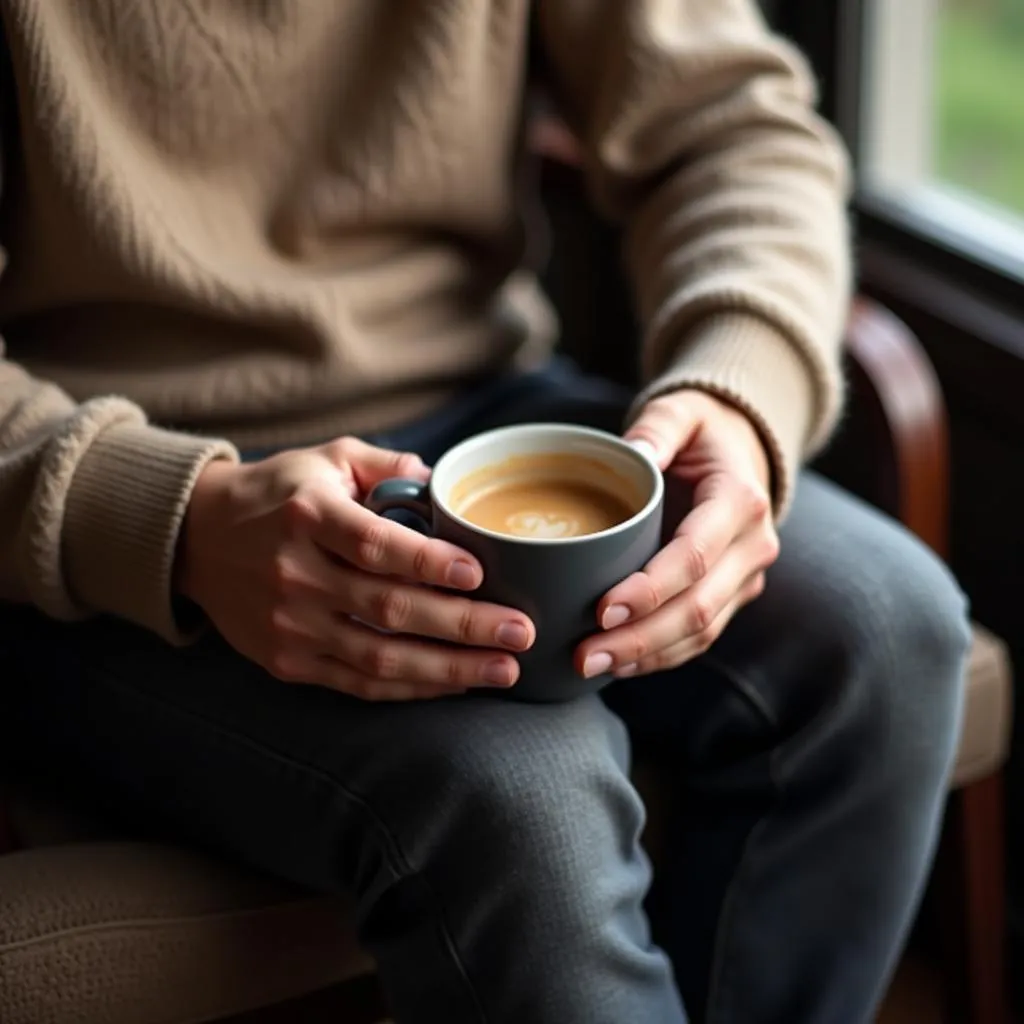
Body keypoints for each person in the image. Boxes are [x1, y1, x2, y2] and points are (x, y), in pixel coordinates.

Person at [0, 1, 969, 1022]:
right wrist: (178, 517)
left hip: (481, 409)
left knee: (885, 627)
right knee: (521, 799)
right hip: (96, 511)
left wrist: (738, 387)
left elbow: (731, 126)